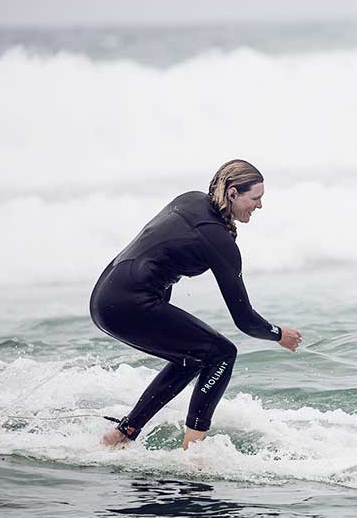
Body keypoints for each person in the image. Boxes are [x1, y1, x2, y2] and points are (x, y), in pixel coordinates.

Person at [90, 159, 302, 450]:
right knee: (222, 354)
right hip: (129, 303)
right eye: (256, 198)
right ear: (232, 194)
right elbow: (245, 320)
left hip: (106, 296)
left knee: (193, 356)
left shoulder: (190, 200)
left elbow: (156, 255)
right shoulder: (218, 240)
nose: (260, 206)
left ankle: (121, 435)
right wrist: (279, 334)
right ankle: (194, 452)